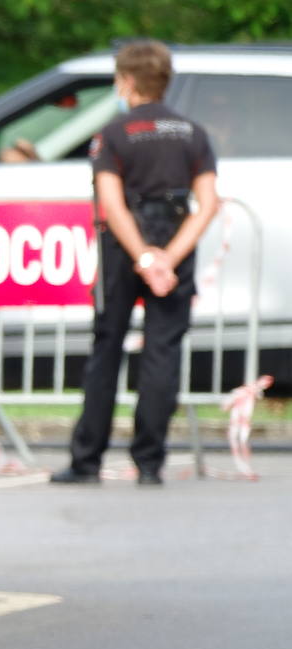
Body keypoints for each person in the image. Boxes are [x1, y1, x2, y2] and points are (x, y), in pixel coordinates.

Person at [50, 40, 218, 486]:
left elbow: (111, 203)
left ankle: (87, 460)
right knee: (163, 351)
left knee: (107, 350)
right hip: (174, 238)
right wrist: (168, 258)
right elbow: (208, 203)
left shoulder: (115, 133)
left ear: (126, 81)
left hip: (125, 248)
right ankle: (149, 462)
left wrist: (143, 256)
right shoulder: (193, 133)